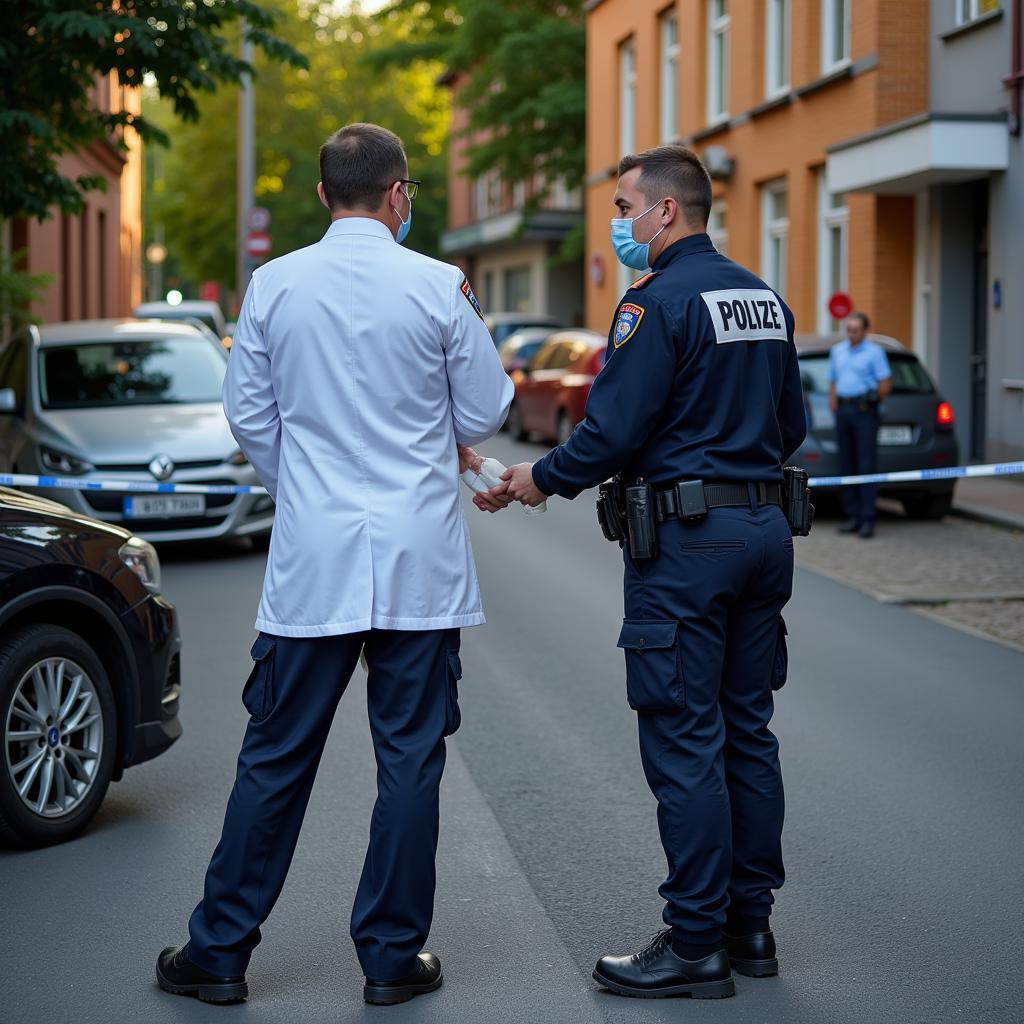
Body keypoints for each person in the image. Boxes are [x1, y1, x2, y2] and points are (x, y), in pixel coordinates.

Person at [155, 123, 513, 1007]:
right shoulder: (439, 285)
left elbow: (248, 417)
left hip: (313, 568)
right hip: (418, 567)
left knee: (274, 757)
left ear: (322, 196)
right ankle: (391, 960)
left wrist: (304, 490)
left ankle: (220, 953)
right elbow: (488, 406)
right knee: (410, 762)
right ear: (399, 195)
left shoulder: (273, 285)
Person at [481, 145, 807, 1000]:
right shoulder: (762, 299)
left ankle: (695, 942)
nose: (618, 222)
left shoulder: (653, 304)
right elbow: (791, 423)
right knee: (748, 731)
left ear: (667, 211)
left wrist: (535, 479)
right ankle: (752, 926)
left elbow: (613, 429)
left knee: (686, 739)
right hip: (765, 532)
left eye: (625, 206)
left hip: (688, 549)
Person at [828, 312, 892, 538]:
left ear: (865, 330)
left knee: (866, 465)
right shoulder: (838, 351)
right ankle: (852, 516)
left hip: (864, 411)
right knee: (847, 464)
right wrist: (834, 402)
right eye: (849, 329)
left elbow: (885, 384)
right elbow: (833, 380)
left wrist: (873, 398)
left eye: (855, 330)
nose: (851, 333)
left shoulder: (875, 353)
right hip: (844, 411)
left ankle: (868, 519)